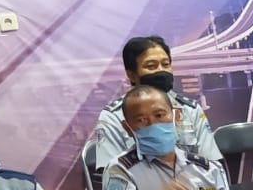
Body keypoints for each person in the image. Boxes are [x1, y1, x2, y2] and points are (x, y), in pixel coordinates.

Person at [102, 86, 243, 190]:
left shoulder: (206, 168)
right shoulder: (121, 170)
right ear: (128, 128)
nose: (153, 124)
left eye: (159, 115)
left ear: (176, 117)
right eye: (141, 120)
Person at [93, 36, 221, 170]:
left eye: (165, 64)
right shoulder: (113, 117)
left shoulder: (190, 110)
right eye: (151, 66)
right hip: (138, 182)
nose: (161, 70)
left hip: (192, 180)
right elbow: (109, 172)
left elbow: (212, 164)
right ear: (131, 75)